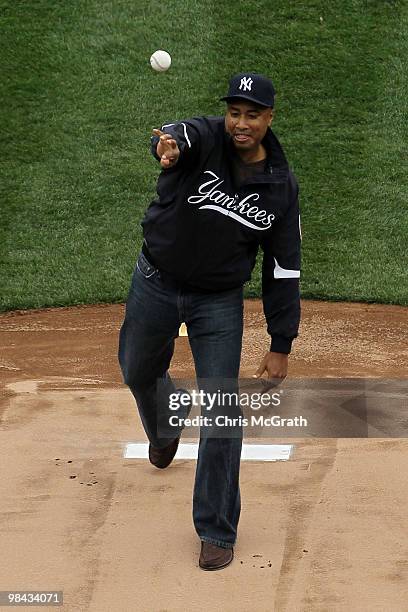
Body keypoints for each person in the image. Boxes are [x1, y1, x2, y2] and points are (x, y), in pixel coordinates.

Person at [118, 72, 301, 571]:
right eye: (234, 113)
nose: (241, 123)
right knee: (136, 370)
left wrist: (281, 341)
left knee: (222, 408)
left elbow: (284, 267)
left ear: (269, 118)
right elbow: (179, 132)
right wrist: (167, 144)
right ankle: (166, 417)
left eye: (252, 115)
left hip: (218, 302)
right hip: (155, 280)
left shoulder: (279, 186)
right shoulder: (204, 139)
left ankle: (216, 529)